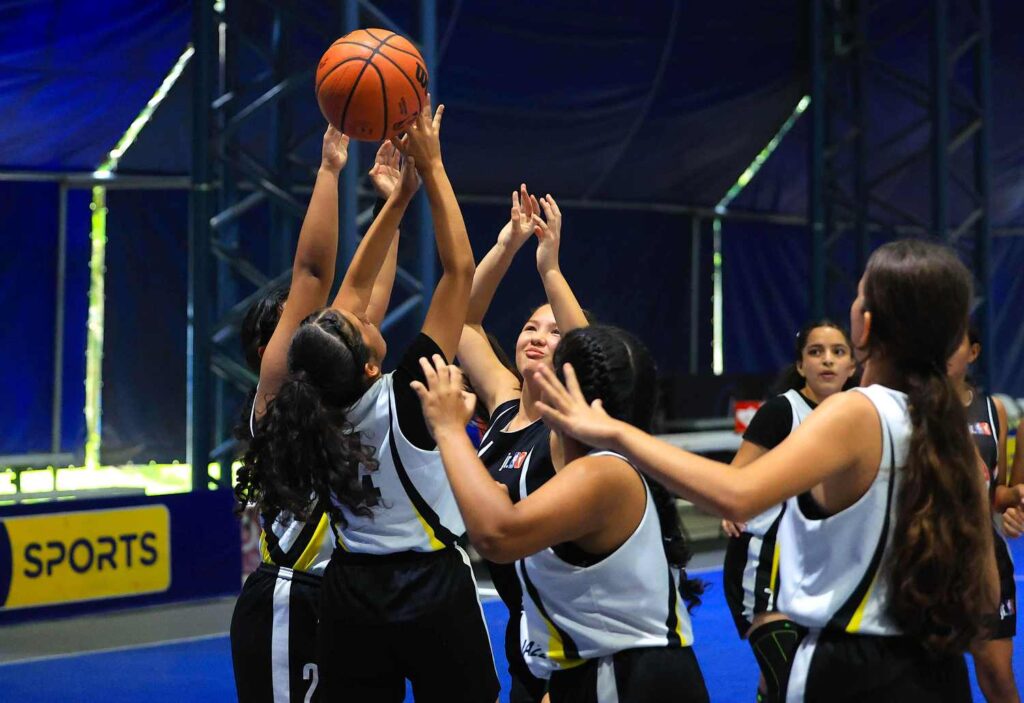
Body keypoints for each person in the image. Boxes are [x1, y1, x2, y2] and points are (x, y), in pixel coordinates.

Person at [536, 239, 999, 702]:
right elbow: (985, 593)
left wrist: (616, 433)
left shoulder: (857, 412)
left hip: (853, 672)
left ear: (866, 324)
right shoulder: (952, 432)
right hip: (940, 673)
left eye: (859, 295)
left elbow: (738, 495)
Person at [237, 99, 499, 702]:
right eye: (357, 322)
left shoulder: (291, 408)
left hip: (350, 592)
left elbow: (328, 281)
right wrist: (431, 168)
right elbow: (457, 272)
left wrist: (391, 198)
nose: (359, 310)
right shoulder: (411, 396)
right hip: (422, 585)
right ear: (371, 364)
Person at [413, 325, 710, 703]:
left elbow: (497, 536)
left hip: (629, 675)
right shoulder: (579, 467)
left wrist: (449, 429)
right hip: (586, 667)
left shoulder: (603, 472)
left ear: (566, 392)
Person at [230, 136, 405, 703]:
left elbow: (368, 296)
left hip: (349, 596)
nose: (320, 317)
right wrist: (329, 170)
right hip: (292, 600)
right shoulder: (272, 408)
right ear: (270, 353)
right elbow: (312, 273)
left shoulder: (343, 391)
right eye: (297, 319)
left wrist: (392, 206)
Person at [457, 184, 588, 702]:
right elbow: (464, 321)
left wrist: (549, 268)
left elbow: (589, 352)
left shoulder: (568, 427)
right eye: (531, 327)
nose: (536, 337)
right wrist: (507, 244)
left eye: (553, 333)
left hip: (572, 625)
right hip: (523, 624)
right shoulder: (505, 403)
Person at [720, 320, 857, 702]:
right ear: (800, 365)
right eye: (816, 352)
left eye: (838, 352)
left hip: (825, 569)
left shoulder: (860, 415)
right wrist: (730, 508)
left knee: (781, 683)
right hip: (766, 564)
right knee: (792, 682)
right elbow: (734, 478)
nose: (827, 360)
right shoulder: (782, 411)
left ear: (852, 366)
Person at [947, 324, 1020, 703]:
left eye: (953, 342)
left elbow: (996, 494)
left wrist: (1016, 501)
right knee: (931, 679)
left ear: (974, 352)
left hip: (984, 557)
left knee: (997, 677)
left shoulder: (994, 410)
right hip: (926, 555)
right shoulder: (906, 407)